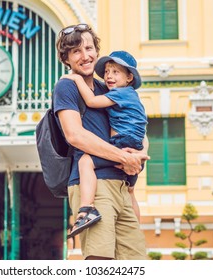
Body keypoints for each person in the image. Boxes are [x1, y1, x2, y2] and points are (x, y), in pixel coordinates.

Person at [54, 23, 149, 260]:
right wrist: (123, 157)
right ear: (66, 58)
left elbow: (139, 127)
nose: (85, 56)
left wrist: (137, 156)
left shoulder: (105, 86)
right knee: (101, 262)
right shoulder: (67, 86)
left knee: (136, 262)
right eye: (76, 51)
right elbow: (75, 135)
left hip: (121, 185)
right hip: (94, 187)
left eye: (88, 48)